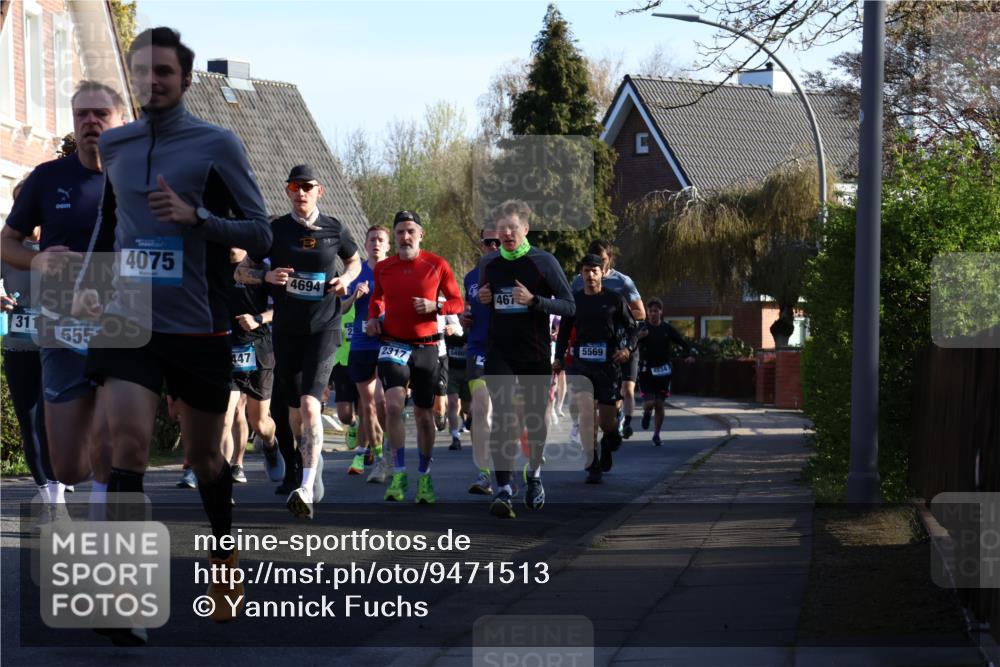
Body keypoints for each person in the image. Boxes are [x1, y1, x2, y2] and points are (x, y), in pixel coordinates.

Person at [74, 27, 272, 631]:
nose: (153, 81)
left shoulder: (218, 144)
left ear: (185, 80)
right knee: (125, 447)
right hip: (128, 320)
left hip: (199, 325)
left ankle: (223, 551)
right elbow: (110, 225)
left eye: (165, 71)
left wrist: (198, 218)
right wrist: (85, 280)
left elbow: (261, 232)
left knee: (206, 461)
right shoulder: (119, 146)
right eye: (143, 72)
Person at [1, 82, 127, 517]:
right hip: (61, 323)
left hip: (120, 321)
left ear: (119, 120)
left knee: (110, 423)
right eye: (82, 115)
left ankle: (99, 516)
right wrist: (36, 261)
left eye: (101, 114)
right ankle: (78, 482)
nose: (91, 121)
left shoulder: (139, 179)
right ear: (74, 121)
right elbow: (7, 242)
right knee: (67, 461)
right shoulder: (48, 178)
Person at [237, 163, 361, 519]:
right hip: (287, 330)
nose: (301, 192)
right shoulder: (275, 230)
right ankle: (311, 462)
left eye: (308, 186)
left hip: (324, 327)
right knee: (293, 413)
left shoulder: (335, 228)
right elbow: (240, 271)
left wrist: (346, 280)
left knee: (309, 406)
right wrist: (266, 275)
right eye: (295, 187)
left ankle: (304, 487)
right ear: (288, 191)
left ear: (319, 191)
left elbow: (354, 261)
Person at [476, 200, 575, 518]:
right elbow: (484, 298)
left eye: (512, 228)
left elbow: (569, 306)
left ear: (525, 229)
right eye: (501, 228)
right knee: (503, 417)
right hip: (500, 351)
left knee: (534, 420)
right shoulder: (489, 265)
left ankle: (533, 475)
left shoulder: (543, 262)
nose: (506, 233)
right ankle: (503, 488)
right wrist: (482, 298)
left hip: (533, 353)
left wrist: (535, 301)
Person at [365, 210, 463, 504]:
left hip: (427, 346)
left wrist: (435, 307)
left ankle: (424, 476)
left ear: (421, 234)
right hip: (394, 344)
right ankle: (398, 472)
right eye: (400, 232)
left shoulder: (437, 265)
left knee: (423, 415)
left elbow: (458, 301)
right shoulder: (384, 268)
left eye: (410, 231)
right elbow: (377, 298)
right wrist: (372, 319)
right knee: (393, 405)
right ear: (394, 237)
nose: (405, 237)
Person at [555, 254, 640, 484]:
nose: (590, 275)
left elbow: (633, 329)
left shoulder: (615, 299)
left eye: (595, 271)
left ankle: (610, 438)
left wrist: (627, 350)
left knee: (606, 422)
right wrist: (558, 358)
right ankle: (592, 464)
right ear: (581, 274)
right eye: (586, 271)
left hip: (608, 366)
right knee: (585, 413)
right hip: (582, 364)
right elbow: (563, 333)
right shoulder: (574, 301)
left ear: (602, 273)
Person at [1, 214, 57, 512]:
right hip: (20, 346)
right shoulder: (6, 248)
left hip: (57, 347)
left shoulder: (59, 244)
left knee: (55, 424)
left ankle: (59, 490)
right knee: (30, 424)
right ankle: (52, 503)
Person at [570, 240, 644, 439]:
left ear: (610, 259)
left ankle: (616, 419)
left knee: (625, 390)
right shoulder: (578, 281)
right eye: (593, 264)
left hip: (618, 345)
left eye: (603, 261)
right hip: (589, 346)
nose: (597, 268)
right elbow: (571, 313)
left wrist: (613, 315)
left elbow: (640, 313)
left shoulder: (623, 282)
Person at [222, 247, 281, 484]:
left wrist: (258, 320)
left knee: (259, 421)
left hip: (259, 349)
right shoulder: (216, 268)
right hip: (226, 348)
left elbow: (281, 308)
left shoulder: (264, 271)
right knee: (225, 417)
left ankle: (270, 443)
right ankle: (223, 478)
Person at [344, 225, 390, 484]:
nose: (376, 243)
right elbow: (340, 308)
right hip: (361, 344)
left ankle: (386, 451)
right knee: (368, 405)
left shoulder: (394, 269)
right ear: (366, 243)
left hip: (388, 342)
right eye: (372, 239)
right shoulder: (357, 270)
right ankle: (379, 455)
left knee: (382, 402)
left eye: (380, 240)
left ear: (387, 245)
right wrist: (355, 297)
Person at [461, 227, 501, 495]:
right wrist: (466, 319)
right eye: (489, 242)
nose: (494, 246)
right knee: (480, 410)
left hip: (508, 350)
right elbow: (468, 310)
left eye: (499, 242)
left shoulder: (516, 272)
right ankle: (483, 472)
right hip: (478, 349)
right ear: (482, 245)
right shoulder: (471, 277)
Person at [638, 298, 696, 446]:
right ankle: (646, 412)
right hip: (646, 370)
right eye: (650, 311)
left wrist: (688, 355)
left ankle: (656, 434)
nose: (653, 314)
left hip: (663, 371)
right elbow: (629, 343)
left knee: (659, 404)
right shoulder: (642, 329)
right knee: (650, 403)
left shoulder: (667, 329)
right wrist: (639, 337)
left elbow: (683, 343)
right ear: (647, 313)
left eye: (656, 311)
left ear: (661, 312)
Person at [329, 303, 363, 473]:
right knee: (344, 415)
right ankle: (354, 425)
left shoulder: (362, 309)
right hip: (341, 364)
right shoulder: (337, 309)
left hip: (361, 360)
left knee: (365, 408)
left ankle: (367, 448)